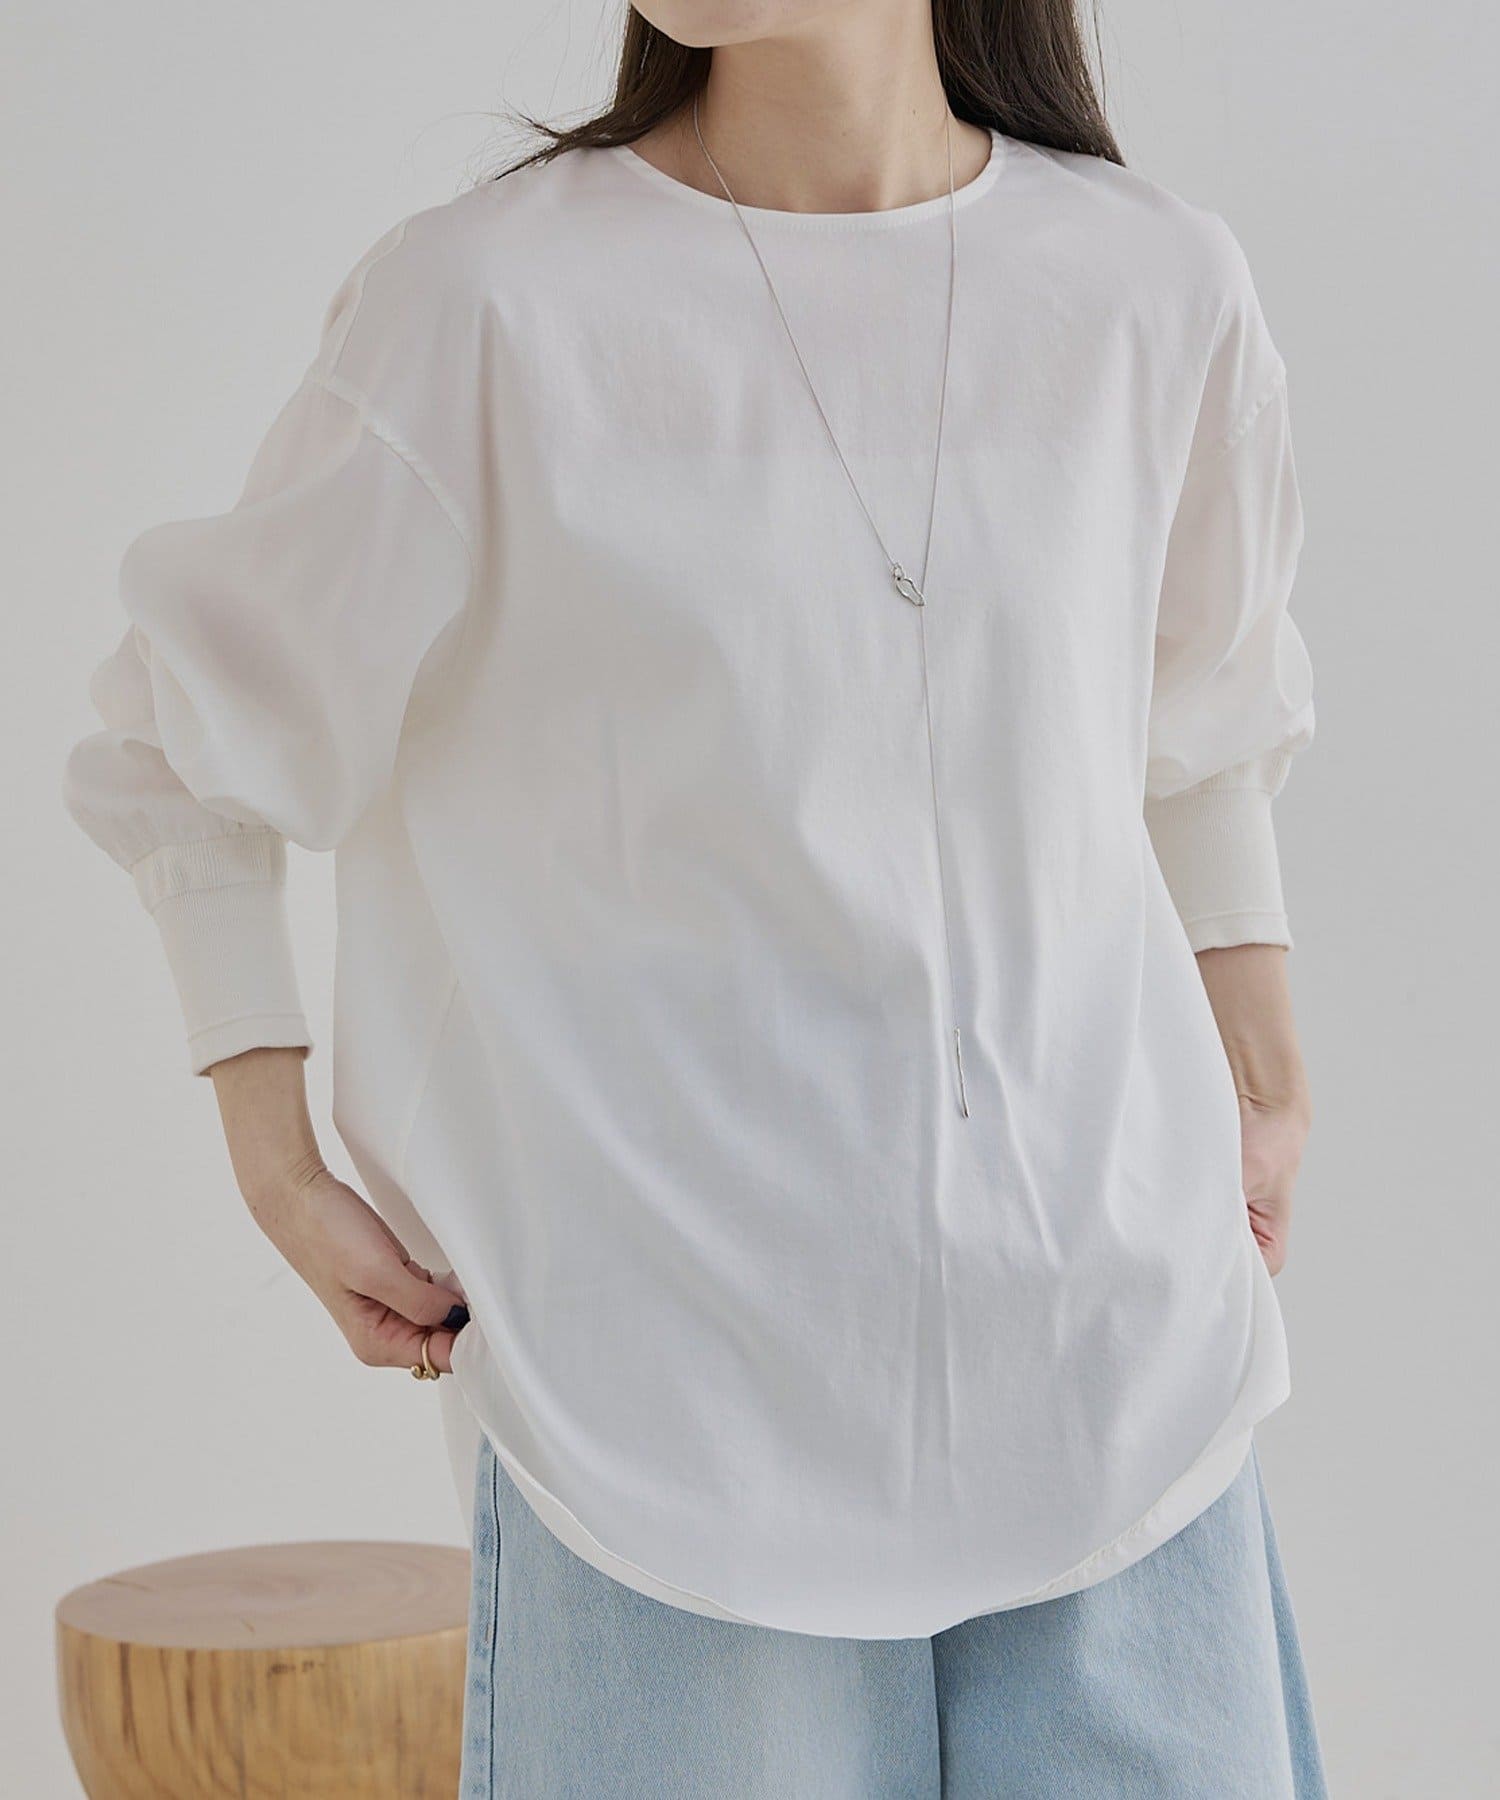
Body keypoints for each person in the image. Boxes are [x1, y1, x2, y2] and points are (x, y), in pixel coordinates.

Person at [62, 0, 1328, 1791]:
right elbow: (181, 733)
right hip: (669, 1427)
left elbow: (1201, 717)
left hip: (1123, 1385)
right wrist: (274, 1157)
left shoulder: (1151, 284)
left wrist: (1263, 1072)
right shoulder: (491, 308)